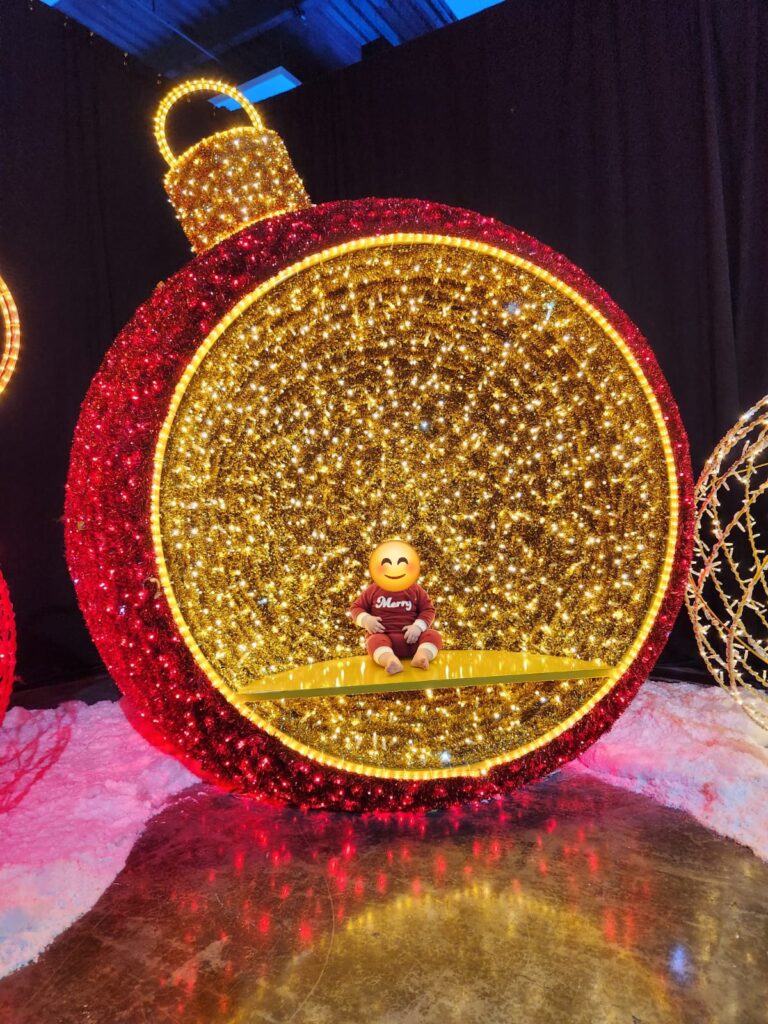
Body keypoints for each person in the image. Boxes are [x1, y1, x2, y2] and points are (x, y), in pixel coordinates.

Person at [349, 539, 443, 675]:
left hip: (413, 640)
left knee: (434, 635)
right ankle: (390, 660)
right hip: (384, 638)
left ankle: (422, 656)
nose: (394, 570)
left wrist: (418, 627)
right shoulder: (373, 589)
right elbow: (356, 608)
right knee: (372, 642)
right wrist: (366, 620)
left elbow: (428, 609)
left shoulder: (416, 589)